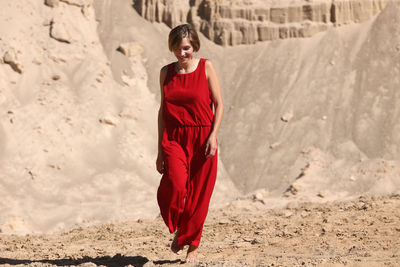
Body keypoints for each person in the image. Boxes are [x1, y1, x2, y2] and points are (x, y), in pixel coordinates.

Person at [156, 23, 224, 263]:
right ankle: (181, 229)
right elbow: (162, 111)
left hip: (203, 137)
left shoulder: (206, 67)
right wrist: (159, 151)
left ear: (194, 46)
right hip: (174, 138)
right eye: (176, 48)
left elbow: (219, 104)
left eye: (185, 48)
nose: (181, 53)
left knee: (199, 194)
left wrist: (213, 135)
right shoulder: (166, 72)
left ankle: (191, 245)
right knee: (175, 184)